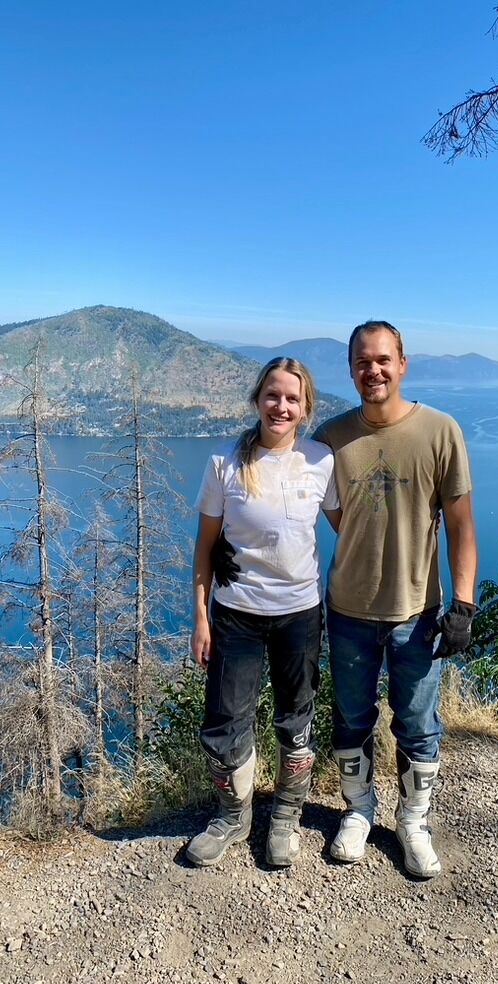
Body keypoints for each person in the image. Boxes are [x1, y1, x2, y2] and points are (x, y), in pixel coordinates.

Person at [314, 320, 477, 879]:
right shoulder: (331, 438)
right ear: (351, 369)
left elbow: (461, 524)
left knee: (418, 723)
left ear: (403, 364)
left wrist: (464, 603)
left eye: (383, 360)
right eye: (363, 361)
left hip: (418, 612)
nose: (373, 370)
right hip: (348, 609)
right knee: (352, 718)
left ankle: (414, 821)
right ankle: (358, 811)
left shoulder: (439, 430)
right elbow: (320, 505)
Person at [188, 357, 339, 869]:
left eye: (292, 399)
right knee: (226, 724)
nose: (281, 406)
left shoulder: (321, 461)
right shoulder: (224, 465)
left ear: (305, 408)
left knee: (296, 722)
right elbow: (205, 548)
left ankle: (285, 817)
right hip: (236, 615)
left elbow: (352, 529)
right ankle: (234, 817)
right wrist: (201, 618)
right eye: (273, 395)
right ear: (257, 400)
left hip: (300, 614)